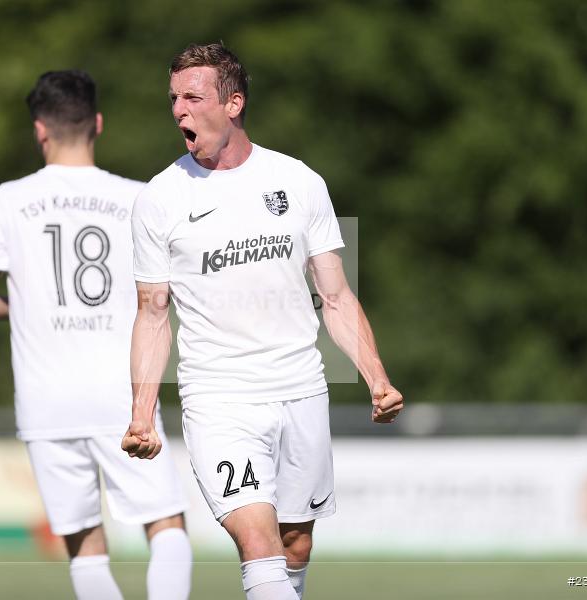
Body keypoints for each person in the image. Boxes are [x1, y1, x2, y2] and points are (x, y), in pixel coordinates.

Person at [122, 44, 404, 600]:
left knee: (295, 544)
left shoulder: (299, 182)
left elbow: (337, 294)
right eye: (173, 98)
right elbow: (153, 313)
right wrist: (142, 413)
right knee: (259, 540)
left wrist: (377, 377)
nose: (179, 109)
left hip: (300, 390)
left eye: (193, 97)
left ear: (234, 102)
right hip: (219, 398)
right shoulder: (159, 198)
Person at [0, 69, 192, 600]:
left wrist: (18, 307)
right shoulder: (141, 197)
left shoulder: (9, 199)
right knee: (166, 527)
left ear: (40, 130)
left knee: (84, 548)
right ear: (98, 123)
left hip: (46, 403)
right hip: (123, 392)